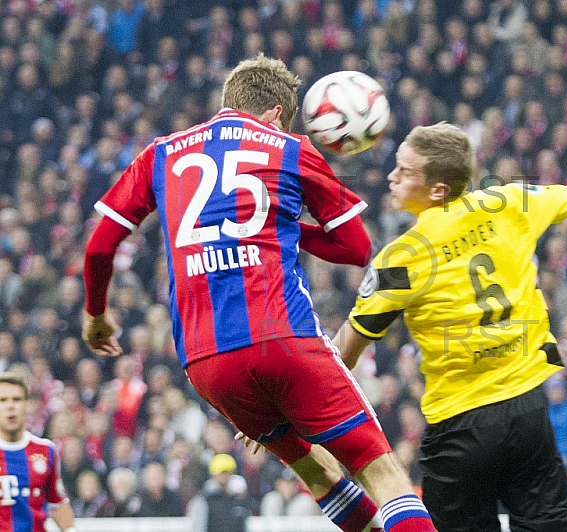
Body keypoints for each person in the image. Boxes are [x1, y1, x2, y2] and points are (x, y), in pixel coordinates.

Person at [82, 54, 434, 532]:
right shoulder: (288, 148)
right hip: (281, 336)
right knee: (379, 467)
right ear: (274, 113)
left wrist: (96, 315)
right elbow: (356, 248)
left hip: (206, 363)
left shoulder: (160, 153)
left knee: (316, 470)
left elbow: (100, 247)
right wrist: (284, 227)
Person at [333, 123, 567, 531]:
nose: (392, 176)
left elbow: (343, 355)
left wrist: (286, 403)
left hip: (459, 426)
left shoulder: (401, 259)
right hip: (525, 412)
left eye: (405, 171)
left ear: (438, 189)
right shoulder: (506, 203)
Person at [0, 372, 76, 532]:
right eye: (3, 400)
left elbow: (58, 503)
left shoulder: (45, 450)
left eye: (17, 399)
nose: (10, 406)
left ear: (27, 405)